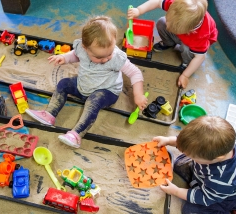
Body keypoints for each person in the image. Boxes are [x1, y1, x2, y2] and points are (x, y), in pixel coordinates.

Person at [25, 16, 148, 148]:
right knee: (63, 84)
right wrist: (64, 58)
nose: (106, 59)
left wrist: (138, 95)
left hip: (107, 91)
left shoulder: (117, 57)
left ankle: (76, 134)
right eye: (99, 57)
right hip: (83, 84)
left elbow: (135, 72)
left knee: (93, 101)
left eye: (109, 54)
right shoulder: (81, 48)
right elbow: (75, 55)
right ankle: (50, 114)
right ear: (85, 47)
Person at [153, 116, 236, 213]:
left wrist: (176, 191)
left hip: (221, 198)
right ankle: (197, 182)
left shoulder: (225, 179)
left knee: (190, 210)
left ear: (218, 158)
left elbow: (206, 198)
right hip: (206, 175)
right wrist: (169, 140)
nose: (186, 154)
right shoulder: (222, 145)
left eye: (192, 156)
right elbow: (191, 142)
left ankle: (231, 212)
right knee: (179, 164)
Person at [127, 0, 218, 89]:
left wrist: (185, 75)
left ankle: (187, 62)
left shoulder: (200, 36)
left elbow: (200, 57)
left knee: (186, 48)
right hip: (183, 35)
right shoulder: (177, 5)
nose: (168, 25)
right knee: (161, 22)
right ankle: (169, 43)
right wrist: (139, 10)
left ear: (190, 31)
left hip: (192, 44)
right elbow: (157, 2)